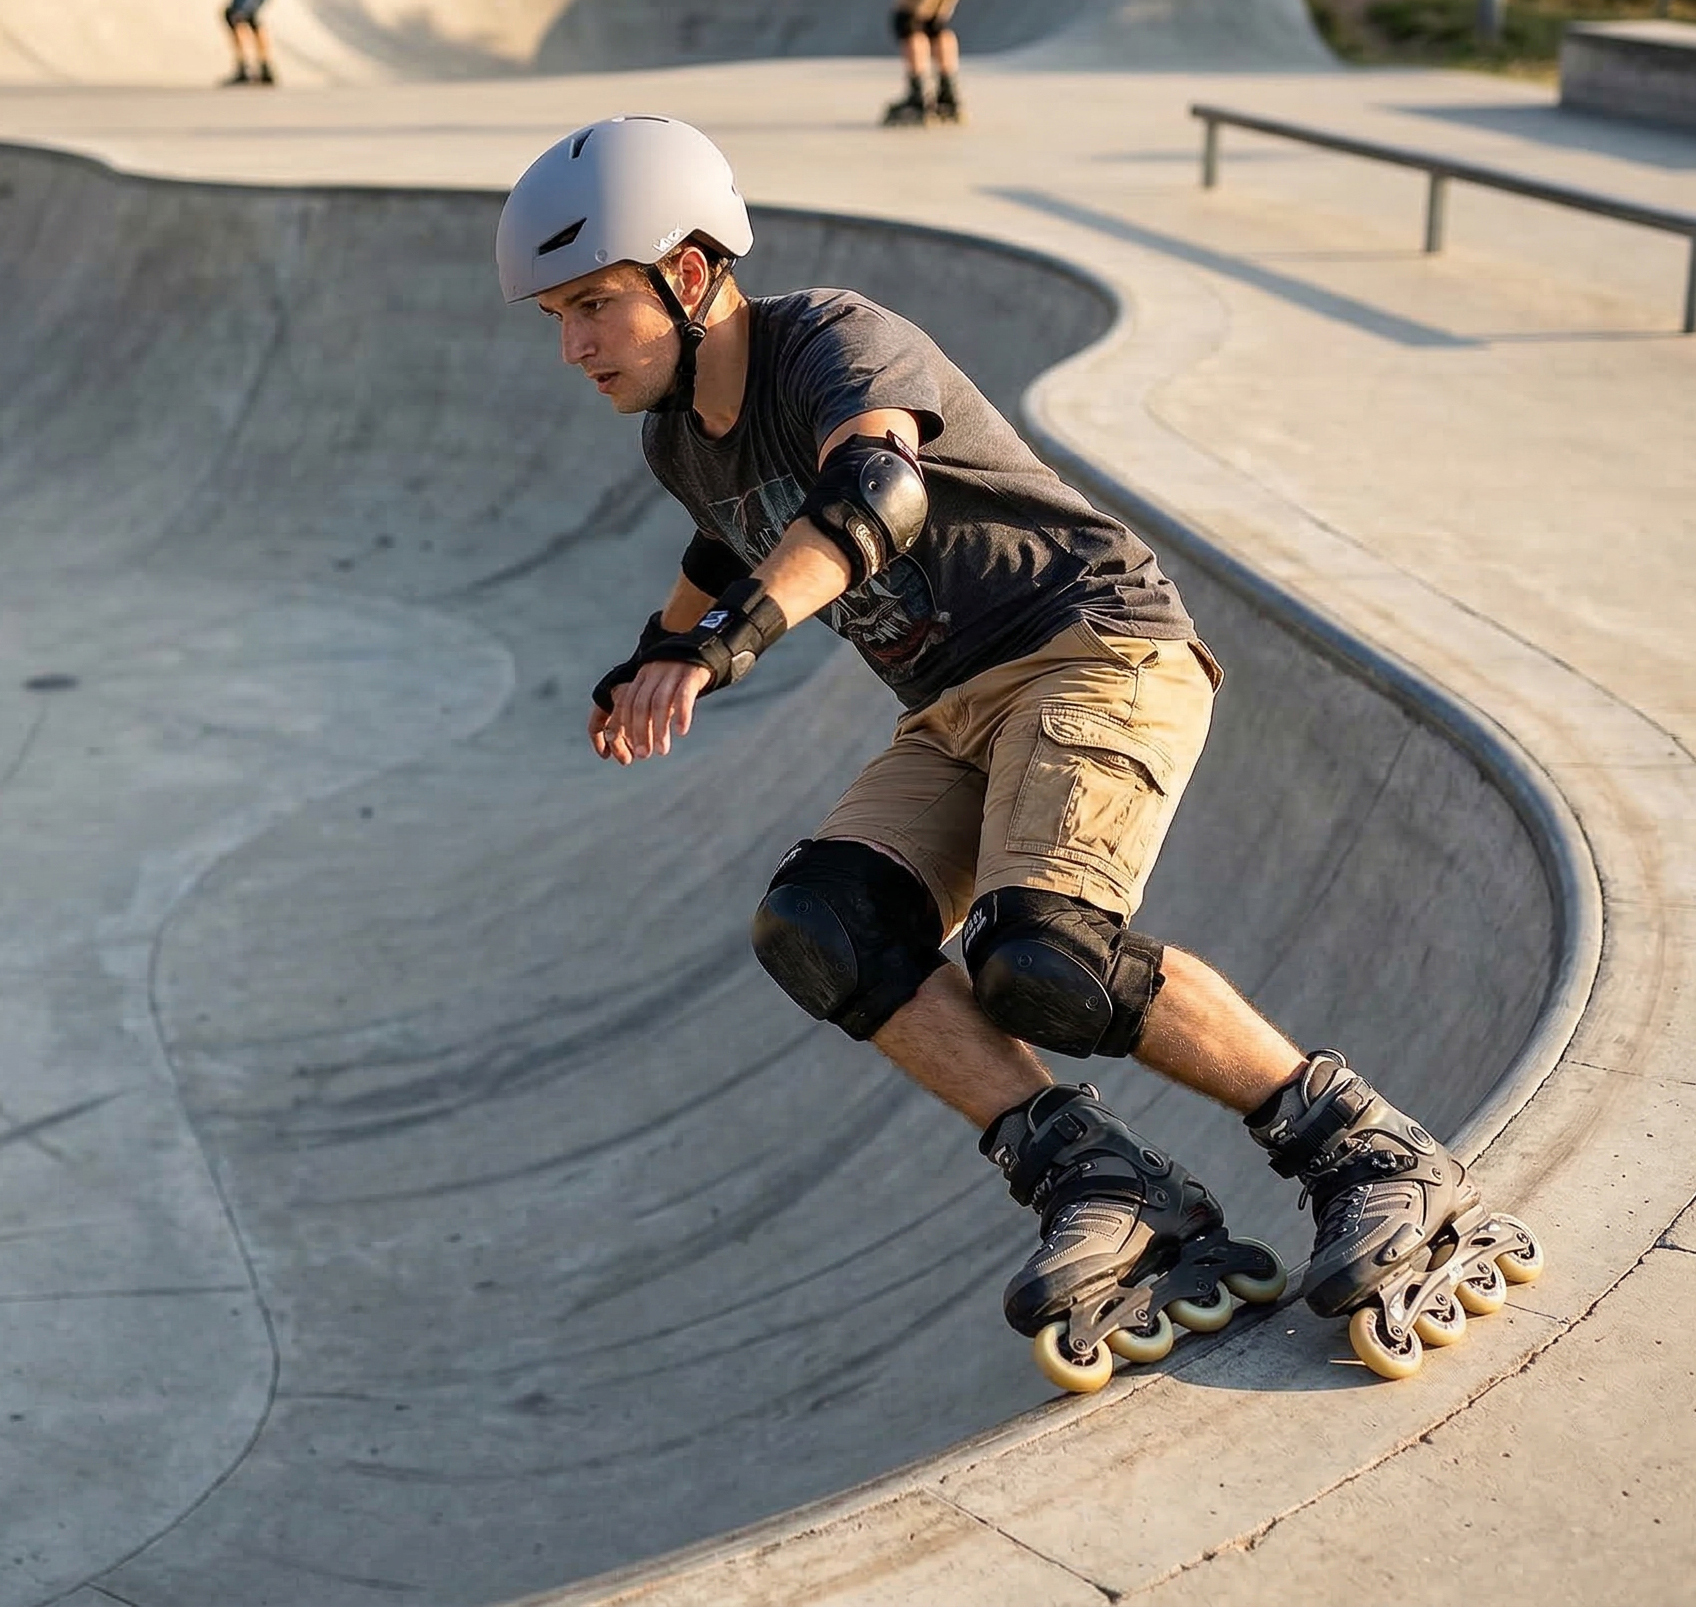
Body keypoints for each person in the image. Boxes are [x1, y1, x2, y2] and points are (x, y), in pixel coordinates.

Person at [495, 116, 1543, 1387]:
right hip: (950, 707)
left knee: (1043, 953)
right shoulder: (675, 437)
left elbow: (875, 494)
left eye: (597, 303)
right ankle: (1100, 1179)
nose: (574, 347)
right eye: (556, 315)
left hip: (1093, 643)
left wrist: (723, 652)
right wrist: (647, 651)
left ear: (698, 272)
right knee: (822, 925)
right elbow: (721, 539)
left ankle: (1366, 1152)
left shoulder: (831, 337)